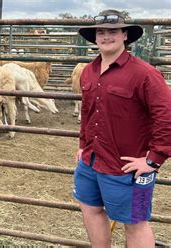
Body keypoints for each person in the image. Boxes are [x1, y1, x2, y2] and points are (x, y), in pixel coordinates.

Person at [73, 9, 171, 247]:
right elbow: (87, 112)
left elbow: (167, 116)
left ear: (125, 35)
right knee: (90, 209)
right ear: (95, 38)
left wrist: (153, 161)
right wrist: (83, 145)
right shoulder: (88, 72)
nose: (107, 37)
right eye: (101, 32)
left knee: (136, 222)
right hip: (91, 162)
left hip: (130, 169)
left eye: (113, 31)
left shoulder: (145, 74)